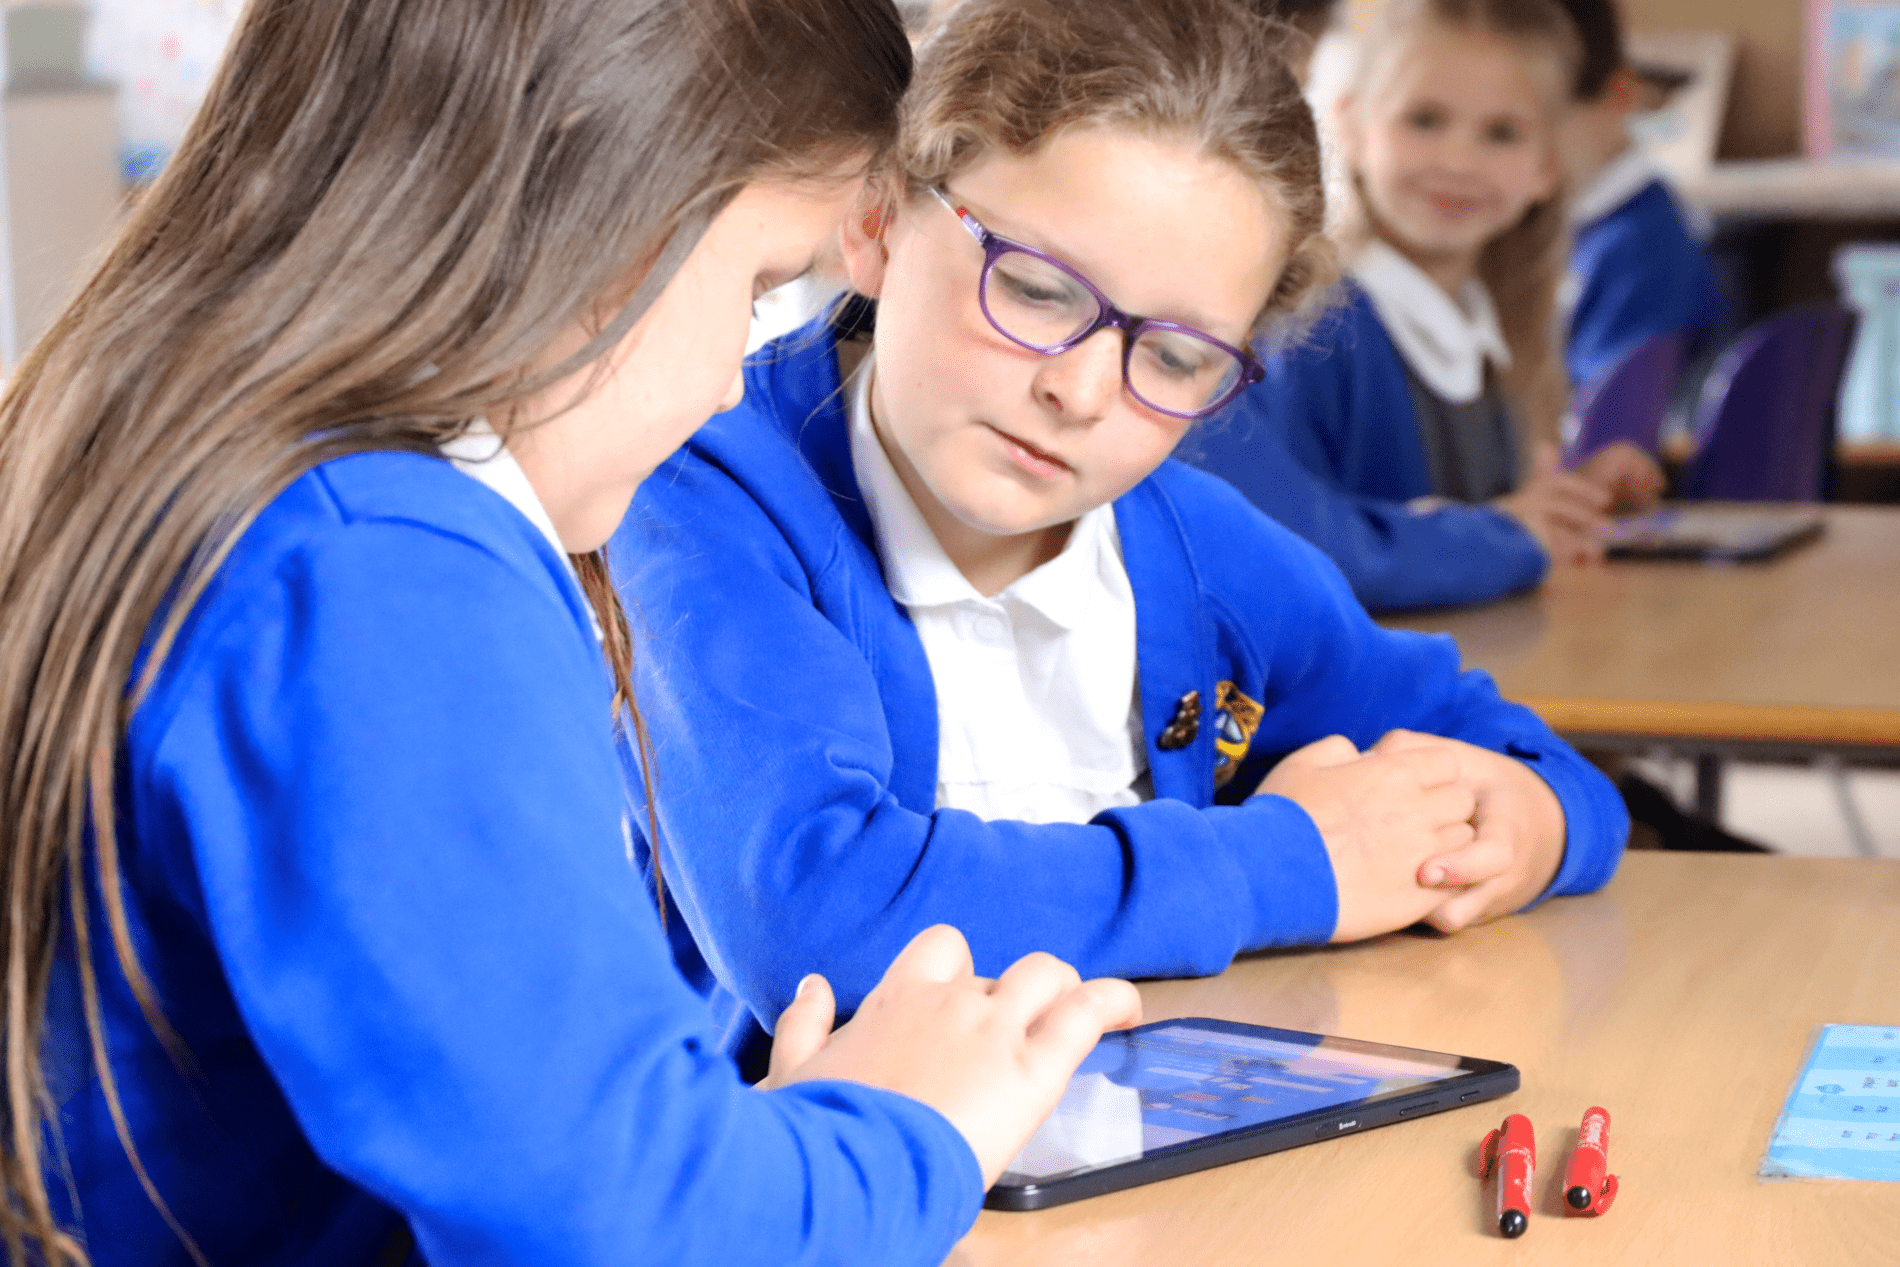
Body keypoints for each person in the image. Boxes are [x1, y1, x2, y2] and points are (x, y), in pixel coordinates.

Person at [0, 3, 1144, 1264]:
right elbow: (623, 1228)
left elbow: (565, 1144)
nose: (730, 381)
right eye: (763, 281)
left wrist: (776, 1148)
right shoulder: (382, 571)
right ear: (601, 211)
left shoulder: (218, 474)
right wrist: (911, 1129)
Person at [611, 0, 1627, 1078]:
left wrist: (1529, 822)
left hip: (1136, 1173)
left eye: (1180, 358)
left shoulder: (1198, 551)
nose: (1083, 389)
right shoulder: (708, 498)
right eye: (1037, 290)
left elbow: (1536, 767)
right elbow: (813, 921)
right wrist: (1296, 862)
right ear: (874, 222)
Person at [1178, 0, 1657, 613]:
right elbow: (1289, 547)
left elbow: (1462, 517)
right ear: (1349, 126)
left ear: (1545, 167)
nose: (1457, 162)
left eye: (1501, 133)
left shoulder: (1489, 327)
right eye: (1424, 120)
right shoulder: (1310, 330)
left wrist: (1563, 506)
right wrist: (1504, 536)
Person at [1555, 0, 1728, 391]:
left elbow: (1606, 419)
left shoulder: (1639, 245)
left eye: (1508, 132)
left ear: (1618, 97)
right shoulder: (1594, 231)